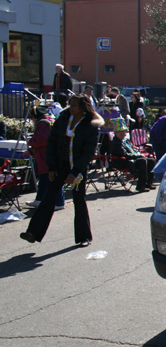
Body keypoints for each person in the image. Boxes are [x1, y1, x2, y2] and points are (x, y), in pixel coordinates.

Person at [20, 95, 103, 247]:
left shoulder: (91, 125)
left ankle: (84, 237)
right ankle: (33, 232)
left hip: (77, 169)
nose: (70, 109)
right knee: (48, 198)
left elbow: (88, 152)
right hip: (59, 166)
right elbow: (51, 143)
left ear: (83, 107)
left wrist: (75, 172)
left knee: (79, 200)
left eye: (74, 106)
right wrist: (51, 167)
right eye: (70, 105)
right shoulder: (63, 119)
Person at [23, 104, 65, 211]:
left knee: (52, 179)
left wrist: (31, 141)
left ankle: (59, 202)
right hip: (45, 155)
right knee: (44, 180)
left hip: (46, 155)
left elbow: (42, 140)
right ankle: (40, 199)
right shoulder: (49, 120)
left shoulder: (43, 123)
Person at [110, 120, 156, 192]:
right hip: (123, 162)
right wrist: (138, 156)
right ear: (115, 132)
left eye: (123, 131)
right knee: (142, 161)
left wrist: (139, 154)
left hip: (131, 159)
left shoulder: (126, 140)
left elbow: (133, 150)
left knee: (151, 160)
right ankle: (141, 186)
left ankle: (148, 183)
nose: (122, 133)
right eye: (120, 131)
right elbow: (125, 155)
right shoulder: (116, 143)